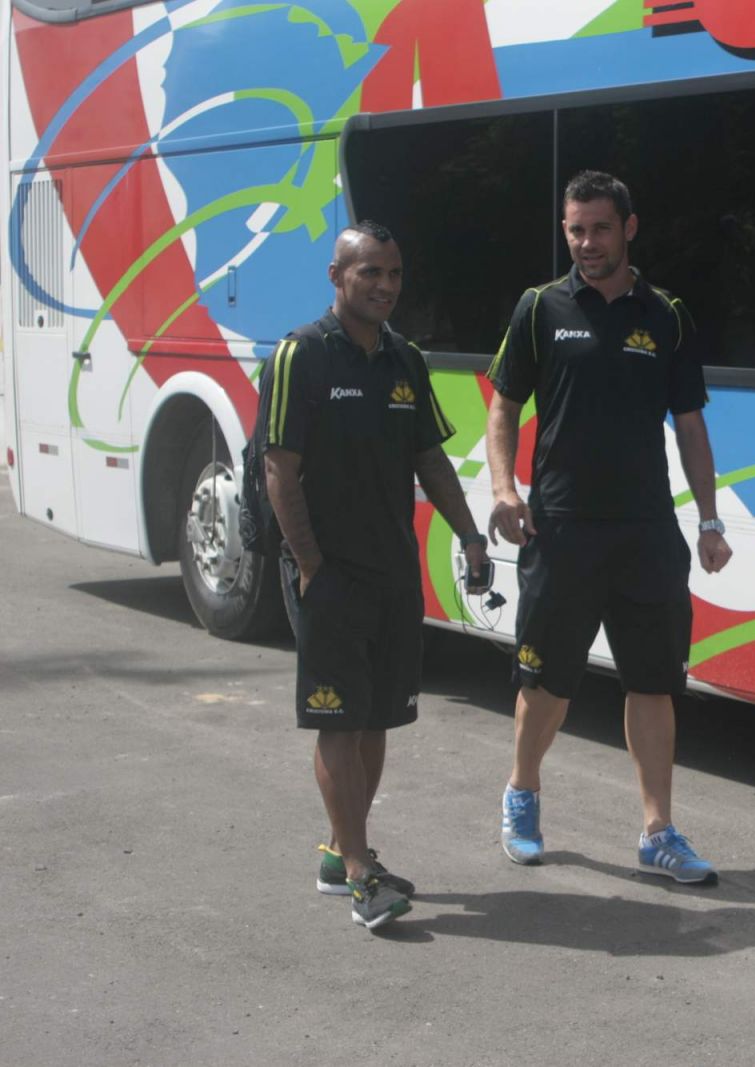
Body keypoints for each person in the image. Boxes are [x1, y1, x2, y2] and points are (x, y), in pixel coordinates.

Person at [485, 171, 732, 883]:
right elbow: (504, 405)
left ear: (629, 228)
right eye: (575, 230)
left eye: (599, 228)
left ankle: (658, 831)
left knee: (654, 682)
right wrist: (503, 488)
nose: (586, 242)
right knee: (548, 684)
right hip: (560, 529)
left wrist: (709, 520)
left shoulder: (667, 314)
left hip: (646, 532)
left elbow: (690, 426)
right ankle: (522, 792)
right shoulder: (540, 307)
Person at [259, 220, 490, 930]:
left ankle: (342, 853)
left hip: (393, 571)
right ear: (337, 277)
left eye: (393, 274)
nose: (385, 286)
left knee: (377, 717)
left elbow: (430, 459)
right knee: (338, 718)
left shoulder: (404, 358)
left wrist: (470, 535)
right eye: (370, 273)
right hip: (330, 573)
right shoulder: (301, 354)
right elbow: (279, 469)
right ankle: (360, 875)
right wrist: (310, 565)